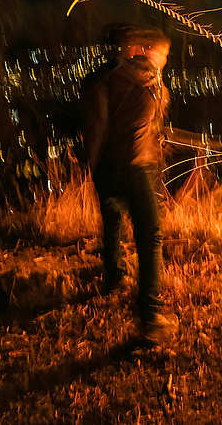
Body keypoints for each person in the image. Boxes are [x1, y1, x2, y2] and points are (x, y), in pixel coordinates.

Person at [81, 23, 178, 344]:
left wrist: (94, 169)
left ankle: (115, 278)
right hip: (139, 167)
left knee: (112, 220)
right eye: (162, 55)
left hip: (109, 166)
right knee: (150, 236)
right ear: (146, 51)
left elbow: (97, 128)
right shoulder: (154, 84)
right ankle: (151, 317)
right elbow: (149, 130)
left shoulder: (102, 80)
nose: (163, 61)